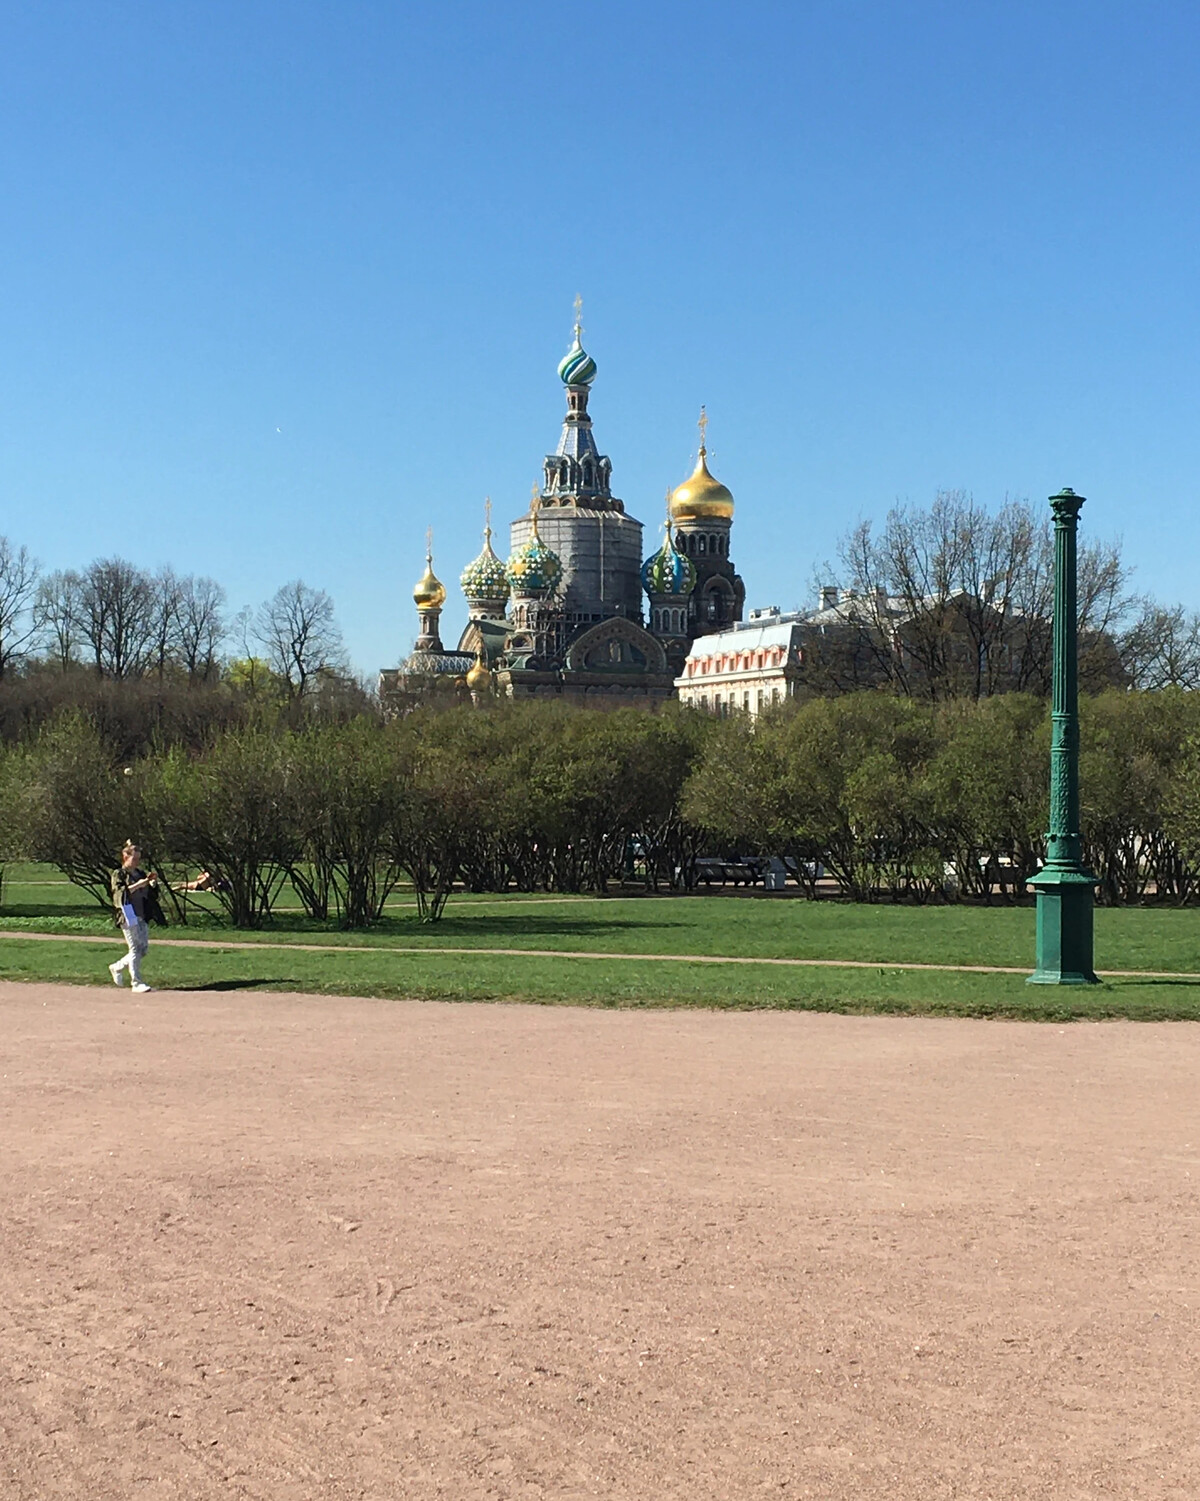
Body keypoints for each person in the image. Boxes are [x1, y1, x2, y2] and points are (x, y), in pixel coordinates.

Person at [109, 840, 166, 993]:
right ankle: (136, 982)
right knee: (134, 949)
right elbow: (120, 894)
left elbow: (151, 894)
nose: (137, 862)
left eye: (138, 859)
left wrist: (152, 884)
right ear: (125, 857)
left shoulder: (140, 873)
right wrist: (138, 885)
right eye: (134, 858)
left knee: (143, 949)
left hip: (142, 914)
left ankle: (117, 967)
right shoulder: (119, 874)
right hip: (128, 914)